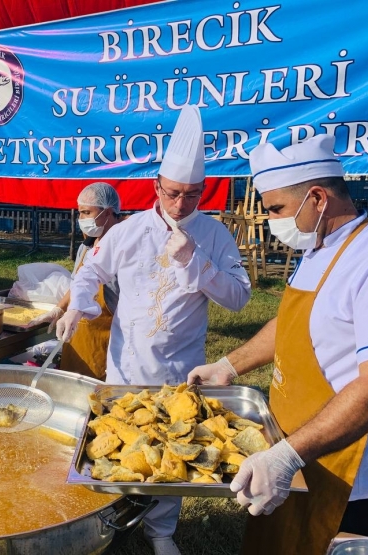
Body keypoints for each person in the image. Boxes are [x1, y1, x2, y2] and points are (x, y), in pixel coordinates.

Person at [188, 135, 368, 555]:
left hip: (341, 471)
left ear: (316, 198)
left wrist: (286, 457)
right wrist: (229, 365)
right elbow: (293, 324)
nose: (271, 219)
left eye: (276, 208)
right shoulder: (318, 250)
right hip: (287, 451)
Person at [57, 105, 251, 555]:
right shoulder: (126, 231)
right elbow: (91, 272)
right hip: (125, 362)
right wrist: (79, 304)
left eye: (191, 196)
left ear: (204, 191)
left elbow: (240, 297)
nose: (180, 204)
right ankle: (110, 521)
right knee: (117, 443)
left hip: (181, 364)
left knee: (175, 447)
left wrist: (197, 263)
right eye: (172, 193)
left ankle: (161, 531)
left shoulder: (215, 235)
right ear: (155, 187)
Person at [28, 182, 122, 379]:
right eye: (80, 213)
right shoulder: (86, 247)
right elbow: (78, 284)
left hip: (106, 342)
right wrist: (60, 309)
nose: (81, 219)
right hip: (77, 337)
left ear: (107, 212)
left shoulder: (123, 249)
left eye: (86, 212)